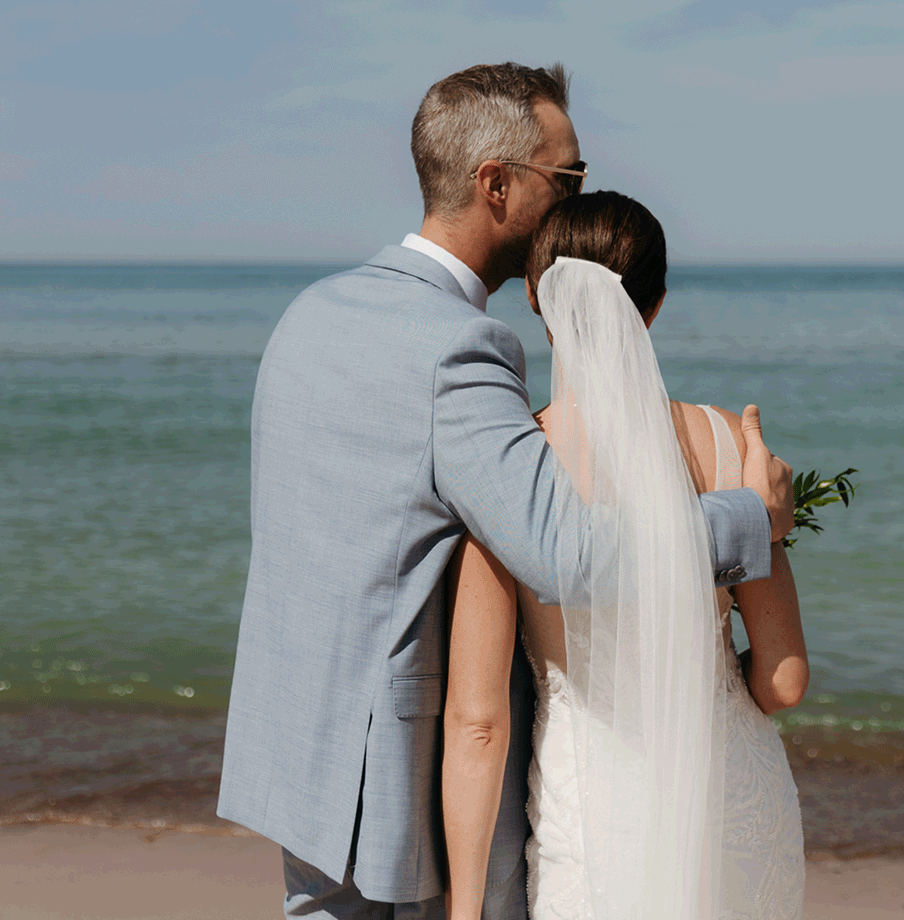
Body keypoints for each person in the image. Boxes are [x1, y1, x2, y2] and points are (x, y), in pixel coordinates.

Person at [216, 63, 796, 919]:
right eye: (568, 180)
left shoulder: (309, 314)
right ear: (496, 183)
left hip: (296, 764)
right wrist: (752, 517)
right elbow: (567, 551)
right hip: (394, 800)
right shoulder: (460, 349)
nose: (575, 201)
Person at [442, 192, 808, 920]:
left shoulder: (515, 471)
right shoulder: (731, 442)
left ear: (536, 300)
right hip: (732, 802)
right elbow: (784, 679)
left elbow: (478, 723)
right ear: (656, 305)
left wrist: (462, 908)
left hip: (597, 819)